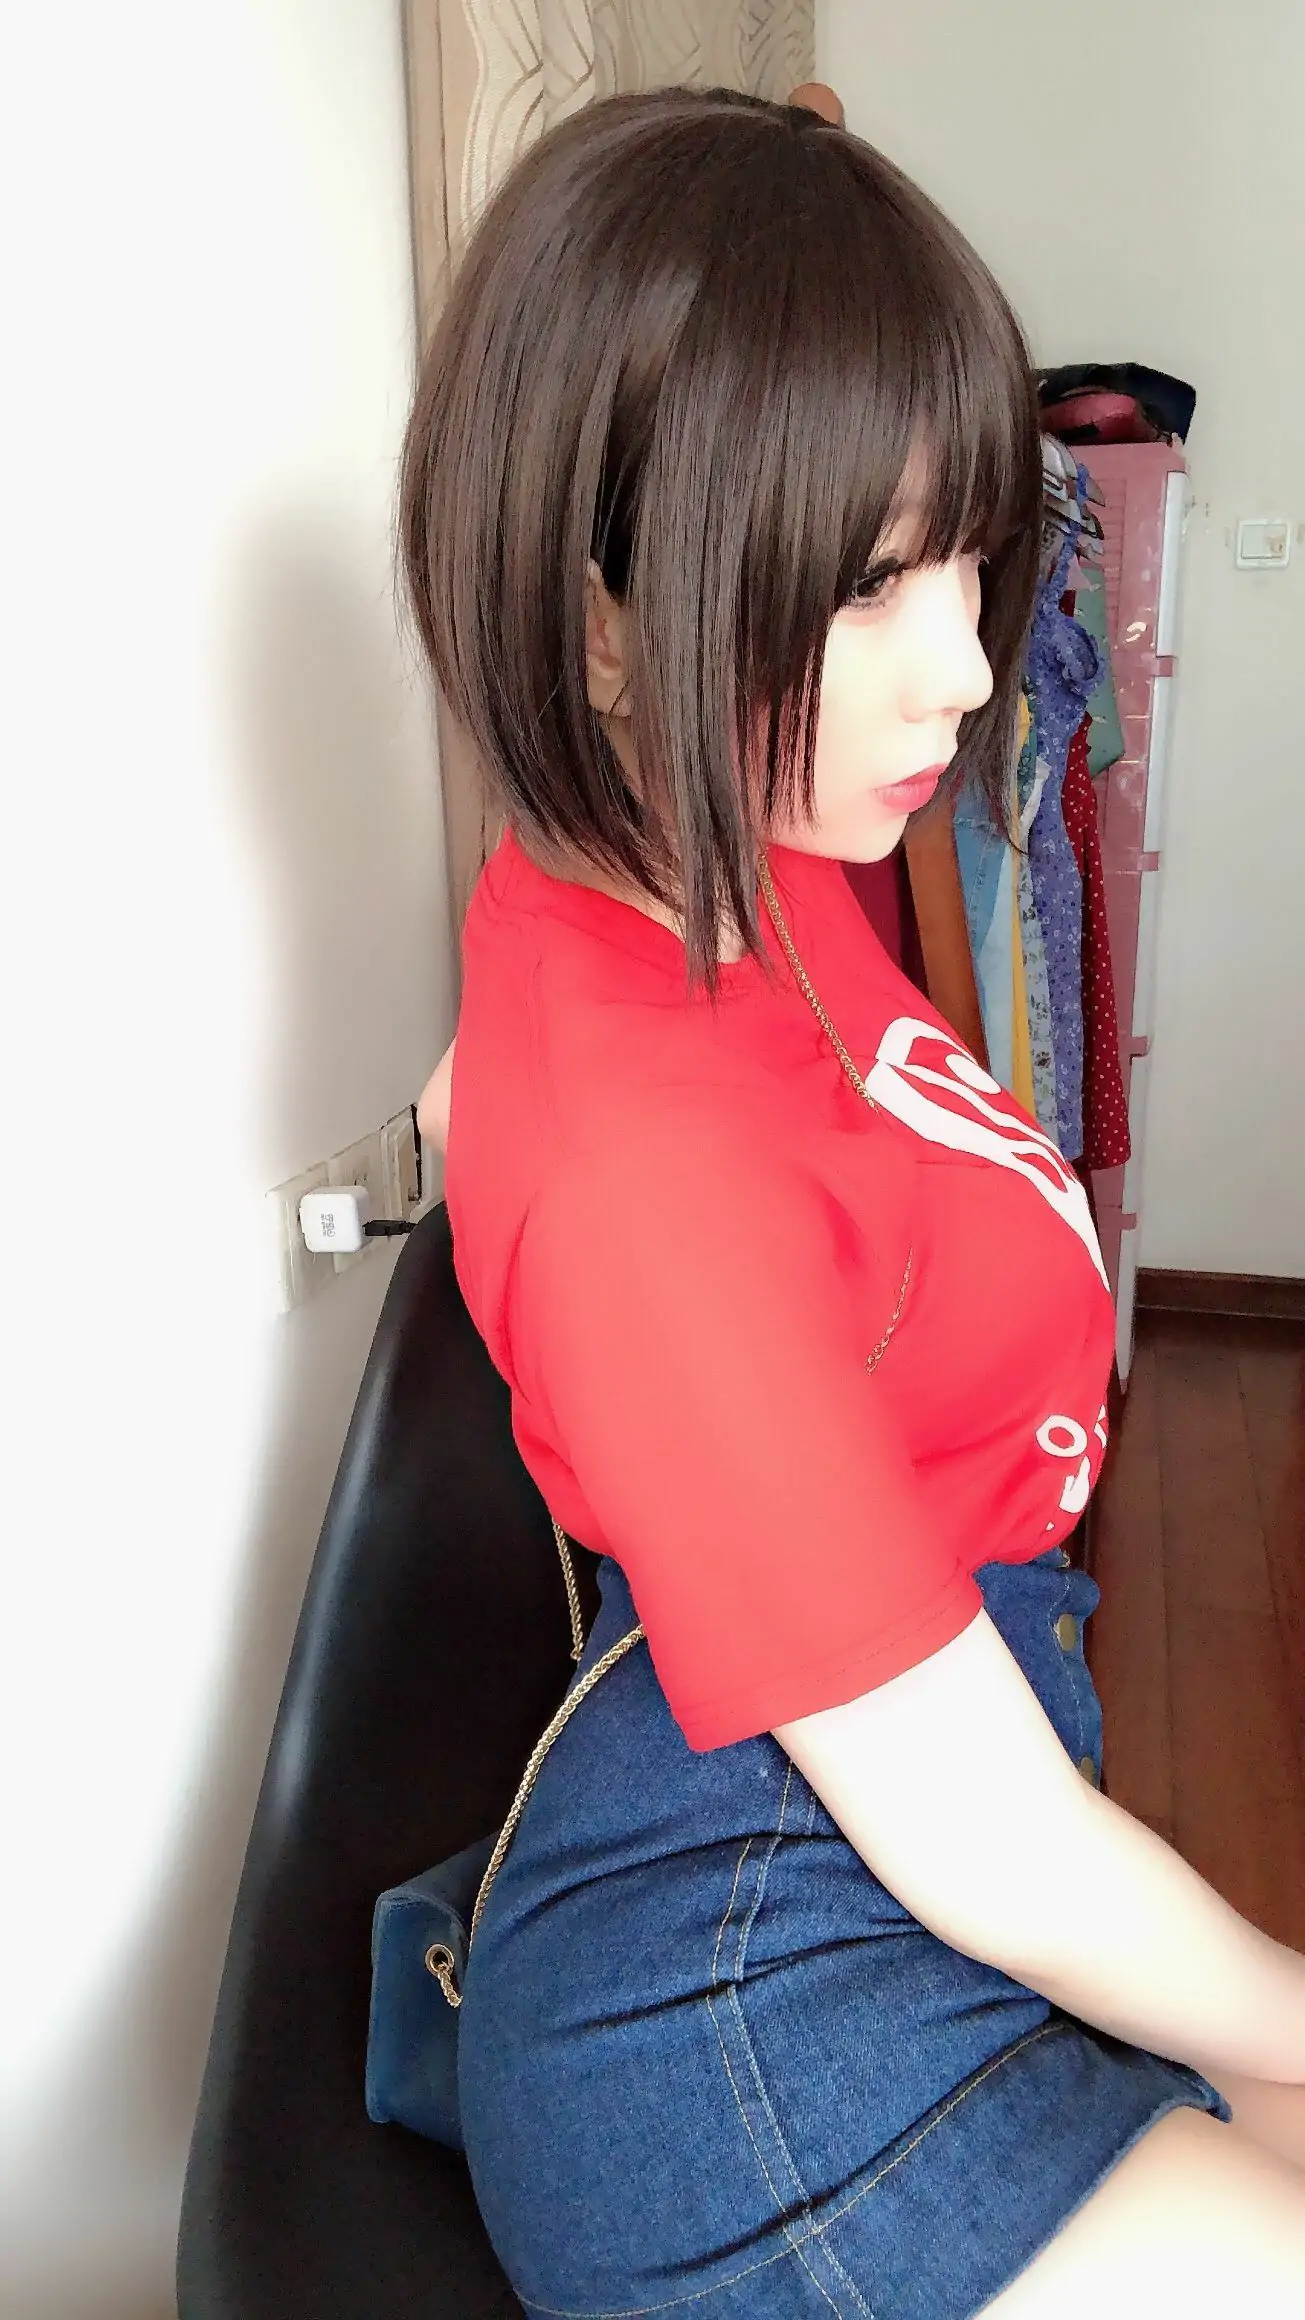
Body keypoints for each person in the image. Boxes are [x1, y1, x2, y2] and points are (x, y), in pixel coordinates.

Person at [401, 87, 1305, 2317]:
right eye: (864, 584)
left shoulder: (729, 842)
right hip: (750, 2022)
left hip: (895, 1816)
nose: (970, 667)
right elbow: (983, 1840)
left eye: (965, 561)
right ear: (601, 615)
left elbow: (465, 1102)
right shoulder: (644, 1159)